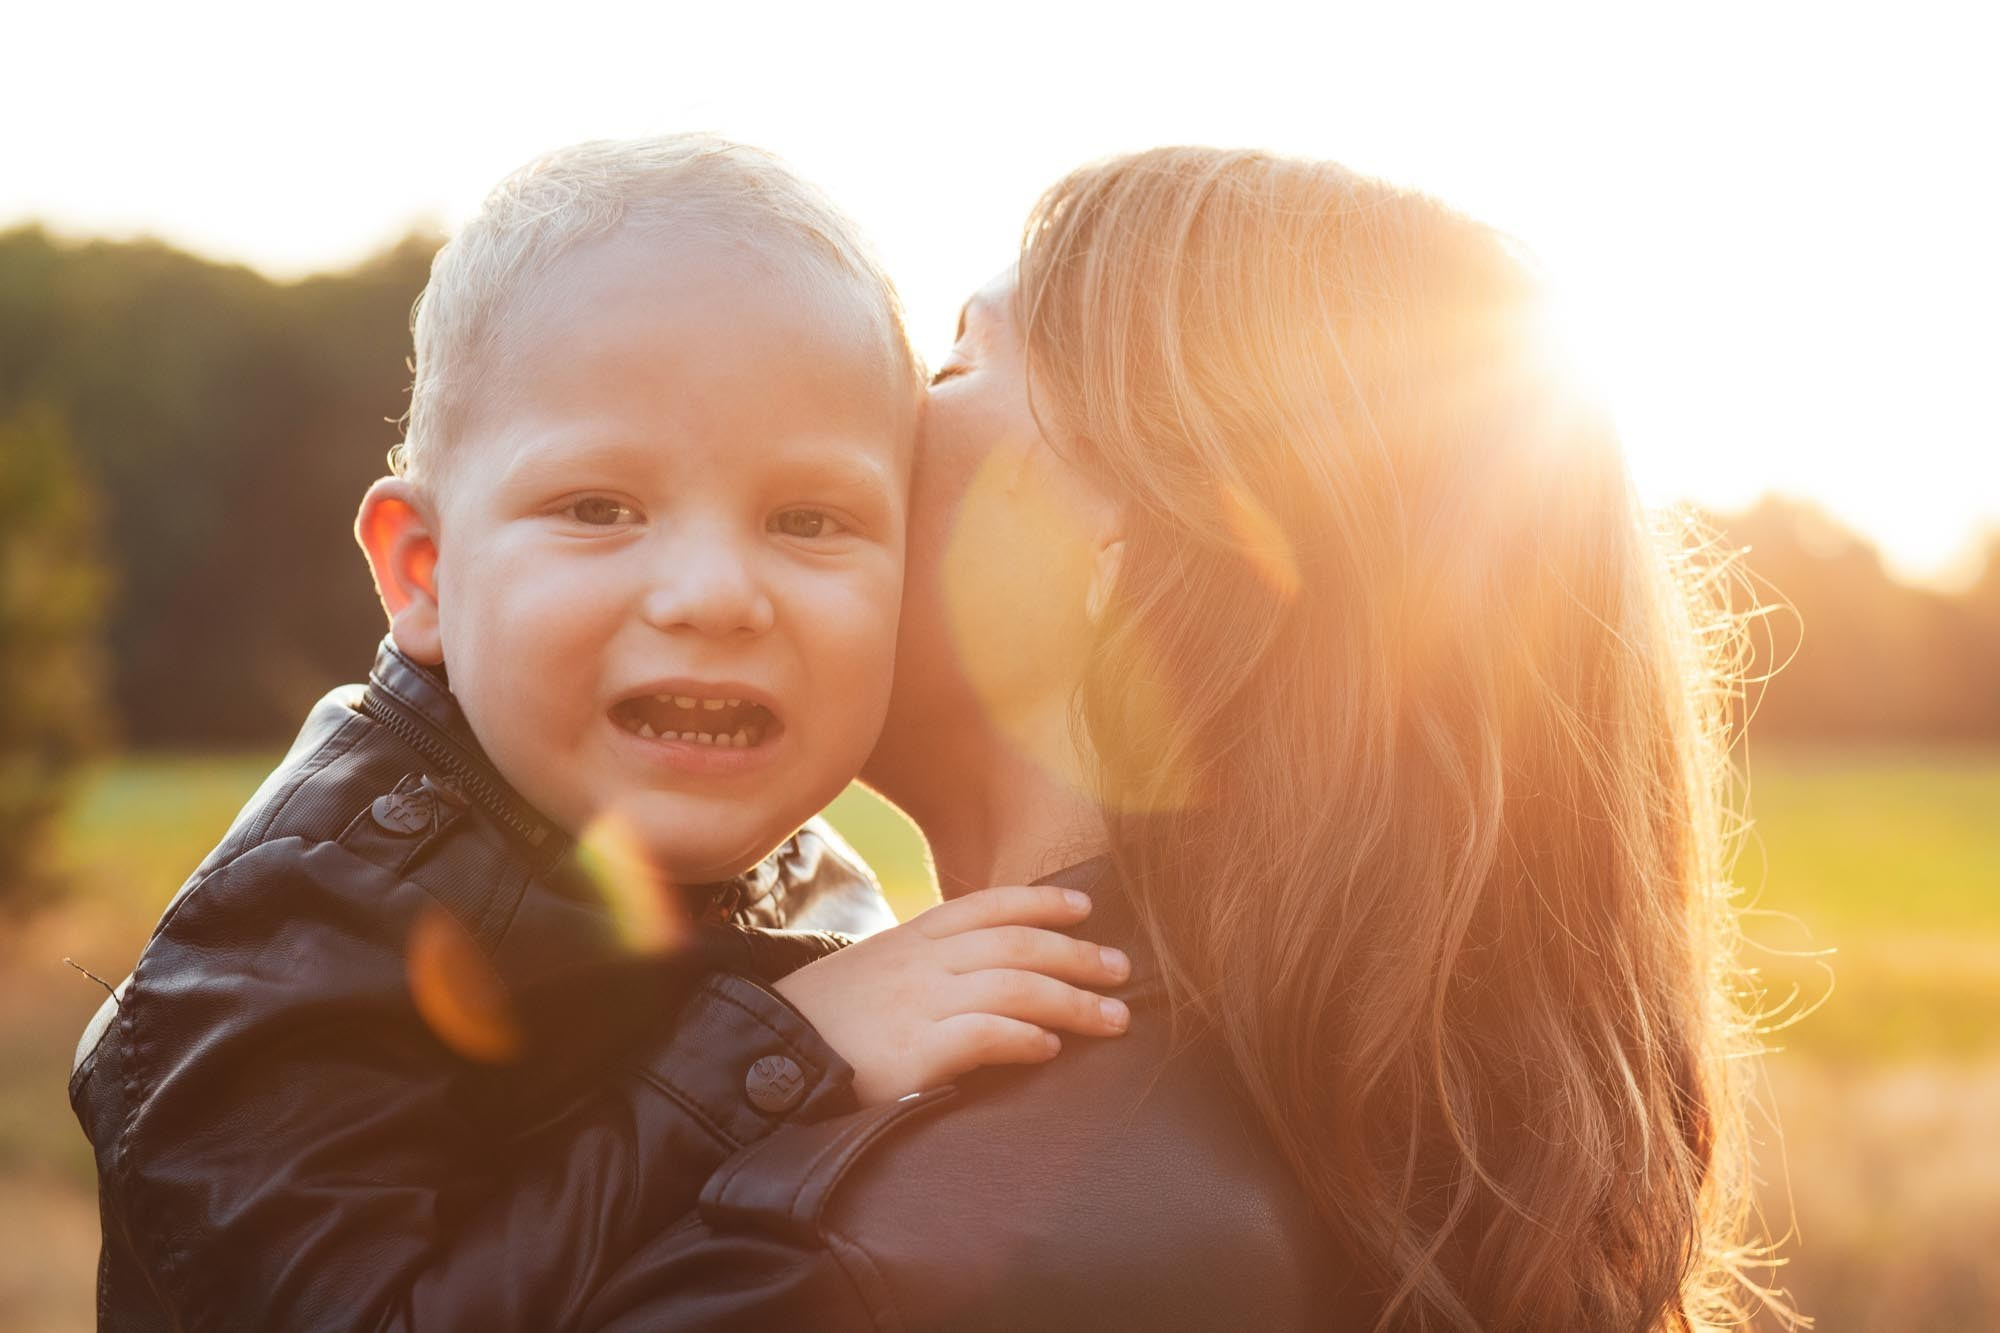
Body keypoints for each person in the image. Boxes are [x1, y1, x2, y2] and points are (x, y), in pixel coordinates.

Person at [582, 147, 1762, 1331]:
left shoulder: (871, 1255)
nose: (864, 424)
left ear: (1121, 551)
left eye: (951, 366)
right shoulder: (1349, 1155)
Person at [67, 136, 1131, 1331]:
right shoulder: (308, 933)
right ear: (424, 572)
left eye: (808, 518)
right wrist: (773, 1054)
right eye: (596, 508)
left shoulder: (807, 875)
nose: (712, 592)